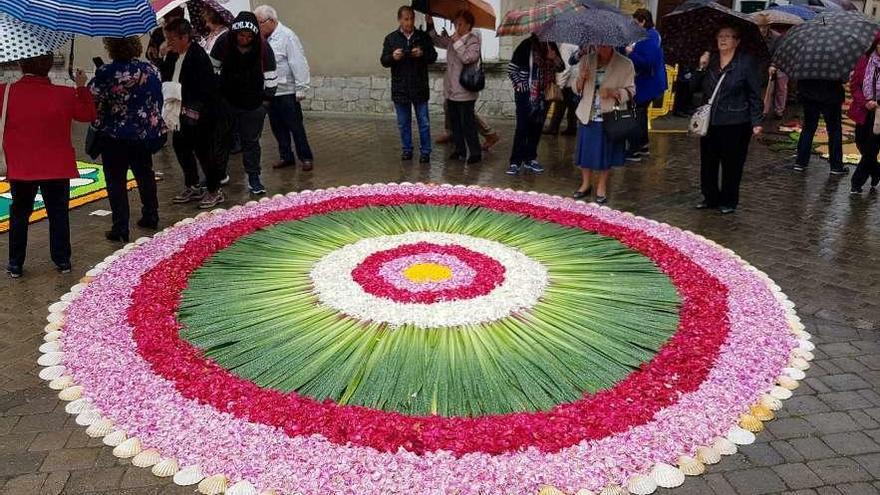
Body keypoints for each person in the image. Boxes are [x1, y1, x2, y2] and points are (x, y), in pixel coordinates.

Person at [2, 55, 96, 278]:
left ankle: (15, 263)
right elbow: (88, 115)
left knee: (19, 214)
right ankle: (62, 260)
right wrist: (82, 87)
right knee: (58, 214)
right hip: (57, 166)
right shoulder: (64, 94)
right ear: (48, 66)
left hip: (22, 167)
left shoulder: (6, 92)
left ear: (20, 64)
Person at [89, 36, 166, 242]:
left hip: (115, 136)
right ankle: (151, 214)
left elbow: (93, 100)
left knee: (116, 181)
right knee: (145, 174)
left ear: (111, 48)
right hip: (143, 134)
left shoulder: (106, 73)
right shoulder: (151, 70)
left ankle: (120, 227)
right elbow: (157, 98)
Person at [693, 26, 763, 214]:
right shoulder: (712, 60)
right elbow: (693, 86)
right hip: (711, 121)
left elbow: (755, 93)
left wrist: (756, 121)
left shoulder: (746, 63)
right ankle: (710, 197)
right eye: (720, 36)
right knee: (708, 162)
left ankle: (729, 200)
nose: (723, 40)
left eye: (728, 36)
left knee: (732, 164)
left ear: (737, 41)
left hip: (736, 121)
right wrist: (701, 66)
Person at [211, 11, 278, 194]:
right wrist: (217, 98)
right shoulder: (224, 42)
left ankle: (254, 178)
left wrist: (264, 104)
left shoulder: (263, 47)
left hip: (253, 104)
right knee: (222, 140)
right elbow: (213, 69)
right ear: (235, 33)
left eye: (249, 36)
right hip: (227, 101)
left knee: (251, 143)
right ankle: (218, 175)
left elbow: (271, 77)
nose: (244, 39)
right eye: (241, 35)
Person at [164, 18, 225, 209]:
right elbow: (167, 76)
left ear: (184, 37)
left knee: (204, 151)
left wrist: (193, 111)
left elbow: (204, 88)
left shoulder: (198, 56)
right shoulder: (173, 55)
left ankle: (215, 190)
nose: (169, 42)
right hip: (178, 111)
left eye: (172, 38)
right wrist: (162, 57)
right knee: (181, 147)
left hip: (199, 114)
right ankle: (192, 184)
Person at [255, 5, 317, 172]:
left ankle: (305, 157)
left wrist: (301, 86)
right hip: (270, 90)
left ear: (272, 21)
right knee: (277, 126)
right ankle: (286, 156)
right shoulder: (261, 39)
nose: (258, 26)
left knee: (295, 126)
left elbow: (298, 62)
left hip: (287, 90)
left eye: (260, 23)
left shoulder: (287, 36)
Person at [571, 45, 635, 204]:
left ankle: (601, 186)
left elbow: (632, 90)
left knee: (606, 153)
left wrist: (614, 93)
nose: (601, 48)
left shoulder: (625, 64)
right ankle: (585, 184)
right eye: (598, 44)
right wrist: (581, 79)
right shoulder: (587, 60)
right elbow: (576, 89)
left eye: (604, 44)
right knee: (585, 152)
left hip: (609, 115)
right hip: (588, 113)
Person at [381, 5, 438, 163]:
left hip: (419, 86)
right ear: (399, 20)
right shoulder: (391, 38)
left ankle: (425, 151)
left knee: (424, 122)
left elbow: (433, 56)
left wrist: (422, 54)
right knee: (403, 123)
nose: (409, 22)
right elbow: (384, 61)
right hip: (401, 88)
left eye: (412, 18)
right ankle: (407, 149)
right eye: (406, 19)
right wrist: (393, 57)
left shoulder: (422, 37)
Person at [427, 11, 482, 164]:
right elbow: (437, 41)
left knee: (468, 123)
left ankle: (475, 152)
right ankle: (460, 150)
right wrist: (430, 24)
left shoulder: (473, 40)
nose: (456, 26)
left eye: (460, 24)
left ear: (468, 25)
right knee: (455, 122)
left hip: (465, 91)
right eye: (455, 23)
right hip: (451, 90)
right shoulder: (453, 40)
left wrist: (457, 41)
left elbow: (468, 58)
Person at [506, 34, 563, 176]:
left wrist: (554, 58)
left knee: (537, 128)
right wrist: (521, 85)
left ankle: (530, 158)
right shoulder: (526, 45)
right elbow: (512, 69)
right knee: (522, 127)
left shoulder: (551, 44)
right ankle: (515, 161)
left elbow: (561, 67)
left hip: (544, 96)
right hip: (526, 95)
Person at [625, 8, 667, 162]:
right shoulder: (648, 35)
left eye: (635, 22)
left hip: (646, 83)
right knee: (640, 114)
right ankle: (642, 145)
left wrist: (631, 53)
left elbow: (647, 62)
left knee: (636, 114)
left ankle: (634, 149)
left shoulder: (650, 37)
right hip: (646, 82)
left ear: (643, 21)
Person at [792, 77, 847, 175]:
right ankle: (836, 165)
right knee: (834, 130)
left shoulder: (808, 61)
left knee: (808, 128)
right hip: (831, 95)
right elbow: (843, 78)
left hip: (809, 94)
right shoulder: (835, 62)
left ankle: (800, 162)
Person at [849, 32, 880, 194]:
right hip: (864, 110)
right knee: (860, 141)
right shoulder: (864, 61)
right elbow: (854, 86)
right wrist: (866, 102)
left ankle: (856, 182)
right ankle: (876, 171)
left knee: (871, 147)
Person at [543, 43, 579, 136]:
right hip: (574, 81)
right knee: (571, 106)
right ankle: (571, 127)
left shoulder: (565, 46)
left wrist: (560, 85)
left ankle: (553, 127)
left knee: (560, 105)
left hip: (568, 82)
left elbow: (566, 68)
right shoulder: (574, 44)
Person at [147, 7, 185, 81]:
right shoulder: (158, 33)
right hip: (159, 75)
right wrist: (161, 54)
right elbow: (150, 55)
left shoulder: (182, 35)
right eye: (172, 22)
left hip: (177, 77)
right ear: (167, 20)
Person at [759, 21, 788, 120]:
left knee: (781, 87)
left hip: (781, 63)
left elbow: (779, 52)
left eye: (764, 27)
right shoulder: (757, 37)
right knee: (768, 87)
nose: (761, 30)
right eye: (760, 27)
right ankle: (764, 111)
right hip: (766, 63)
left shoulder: (777, 37)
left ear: (768, 27)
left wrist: (774, 65)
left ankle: (779, 110)